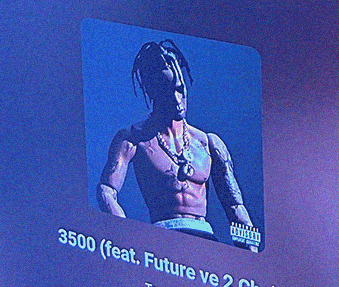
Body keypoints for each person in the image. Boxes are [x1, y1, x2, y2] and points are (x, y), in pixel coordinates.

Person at [97, 40, 259, 250]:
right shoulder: (133, 139)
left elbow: (235, 206)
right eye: (166, 91)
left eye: (179, 89)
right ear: (152, 92)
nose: (176, 99)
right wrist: (129, 241)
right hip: (164, 241)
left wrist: (250, 254)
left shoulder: (208, 143)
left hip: (205, 240)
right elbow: (106, 191)